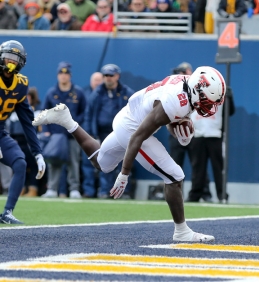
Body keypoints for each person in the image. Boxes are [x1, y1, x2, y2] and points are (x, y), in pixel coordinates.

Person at [33, 65, 226, 242]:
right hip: (132, 128)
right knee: (174, 176)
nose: (210, 106)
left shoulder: (186, 83)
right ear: (196, 90)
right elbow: (138, 136)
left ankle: (67, 121)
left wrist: (177, 124)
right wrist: (124, 173)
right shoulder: (177, 102)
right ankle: (182, 231)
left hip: (127, 115)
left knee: (102, 164)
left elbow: (164, 115)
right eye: (207, 100)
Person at [0, 40, 46, 224]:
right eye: (8, 58)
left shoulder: (21, 84)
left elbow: (28, 122)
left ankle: (7, 213)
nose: (11, 63)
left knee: (20, 163)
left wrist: (37, 153)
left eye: (15, 59)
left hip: (1, 132)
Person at [83, 64, 134, 198]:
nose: (108, 78)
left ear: (117, 76)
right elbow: (89, 115)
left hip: (122, 132)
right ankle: (105, 191)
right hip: (102, 133)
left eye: (111, 75)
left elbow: (136, 110)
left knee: (125, 162)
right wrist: (91, 135)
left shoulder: (126, 92)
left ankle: (124, 191)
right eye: (105, 75)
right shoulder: (97, 93)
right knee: (105, 163)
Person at [41, 62, 86, 199]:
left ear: (70, 76)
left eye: (66, 73)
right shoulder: (51, 93)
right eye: (61, 73)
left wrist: (75, 125)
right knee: (54, 161)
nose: (64, 76)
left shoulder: (78, 92)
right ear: (57, 75)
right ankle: (52, 189)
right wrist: (46, 130)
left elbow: (84, 112)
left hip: (73, 134)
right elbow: (44, 113)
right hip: (56, 134)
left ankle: (74, 189)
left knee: (73, 161)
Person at [169, 62, 212, 203]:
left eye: (181, 72)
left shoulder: (199, 87)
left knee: (198, 164)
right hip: (176, 131)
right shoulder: (172, 87)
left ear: (188, 71)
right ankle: (175, 194)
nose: (178, 75)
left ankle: (203, 193)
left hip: (194, 132)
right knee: (175, 165)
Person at [188, 85, 235, 203]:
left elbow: (230, 112)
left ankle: (222, 195)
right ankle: (195, 194)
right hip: (198, 135)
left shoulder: (220, 95)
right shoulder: (193, 94)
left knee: (218, 168)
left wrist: (230, 98)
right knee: (198, 168)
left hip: (215, 135)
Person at [8, 87, 43, 197]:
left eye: (29, 96)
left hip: (31, 142)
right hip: (17, 142)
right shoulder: (14, 111)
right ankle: (20, 188)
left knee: (33, 166)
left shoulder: (37, 111)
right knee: (19, 165)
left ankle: (33, 188)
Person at [81, 72, 103, 198]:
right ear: (91, 81)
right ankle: (88, 191)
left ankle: (104, 191)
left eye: (99, 80)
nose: (97, 82)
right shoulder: (85, 94)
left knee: (106, 163)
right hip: (88, 134)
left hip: (105, 134)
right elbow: (84, 115)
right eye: (95, 80)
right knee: (87, 163)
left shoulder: (105, 93)